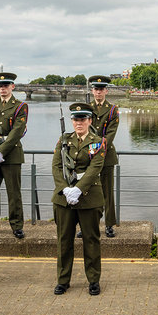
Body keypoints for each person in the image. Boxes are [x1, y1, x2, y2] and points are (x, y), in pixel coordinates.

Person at [51, 102, 108, 294]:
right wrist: (65, 188)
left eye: (82, 119)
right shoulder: (63, 140)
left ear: (89, 120)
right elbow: (57, 166)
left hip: (89, 198)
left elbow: (95, 169)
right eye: (76, 119)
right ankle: (62, 280)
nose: (79, 123)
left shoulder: (97, 142)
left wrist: (78, 189)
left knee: (91, 241)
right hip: (64, 198)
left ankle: (93, 280)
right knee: (64, 241)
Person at [0, 72, 29, 239]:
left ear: (13, 87)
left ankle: (17, 226)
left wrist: (2, 151)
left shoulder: (20, 106)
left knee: (14, 193)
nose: (3, 88)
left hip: (12, 154)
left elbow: (17, 131)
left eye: (6, 85)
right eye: (0, 86)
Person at [88, 76, 120, 237]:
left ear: (106, 91)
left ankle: (108, 225)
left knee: (108, 192)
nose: (98, 92)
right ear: (92, 91)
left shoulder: (113, 110)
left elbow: (111, 133)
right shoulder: (86, 108)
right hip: (88, 155)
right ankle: (89, 225)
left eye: (101, 89)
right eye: (96, 89)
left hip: (106, 155)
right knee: (88, 191)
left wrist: (99, 147)